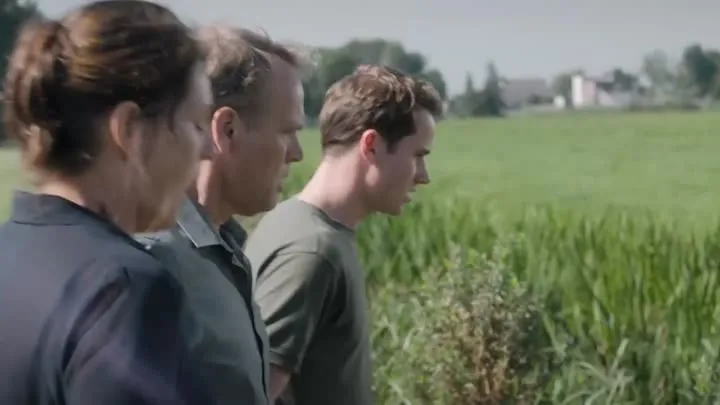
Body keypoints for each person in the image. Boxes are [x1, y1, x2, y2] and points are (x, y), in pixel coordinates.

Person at [0, 1, 217, 404]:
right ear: (129, 129)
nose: (209, 150)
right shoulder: (122, 290)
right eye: (196, 124)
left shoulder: (9, 252)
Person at [245, 64, 444, 405]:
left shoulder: (300, 226)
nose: (423, 176)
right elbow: (252, 393)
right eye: (418, 156)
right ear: (372, 146)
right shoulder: (312, 251)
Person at [135, 26, 304, 405]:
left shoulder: (224, 247)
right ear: (227, 130)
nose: (296, 153)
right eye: (287, 131)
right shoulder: (153, 264)